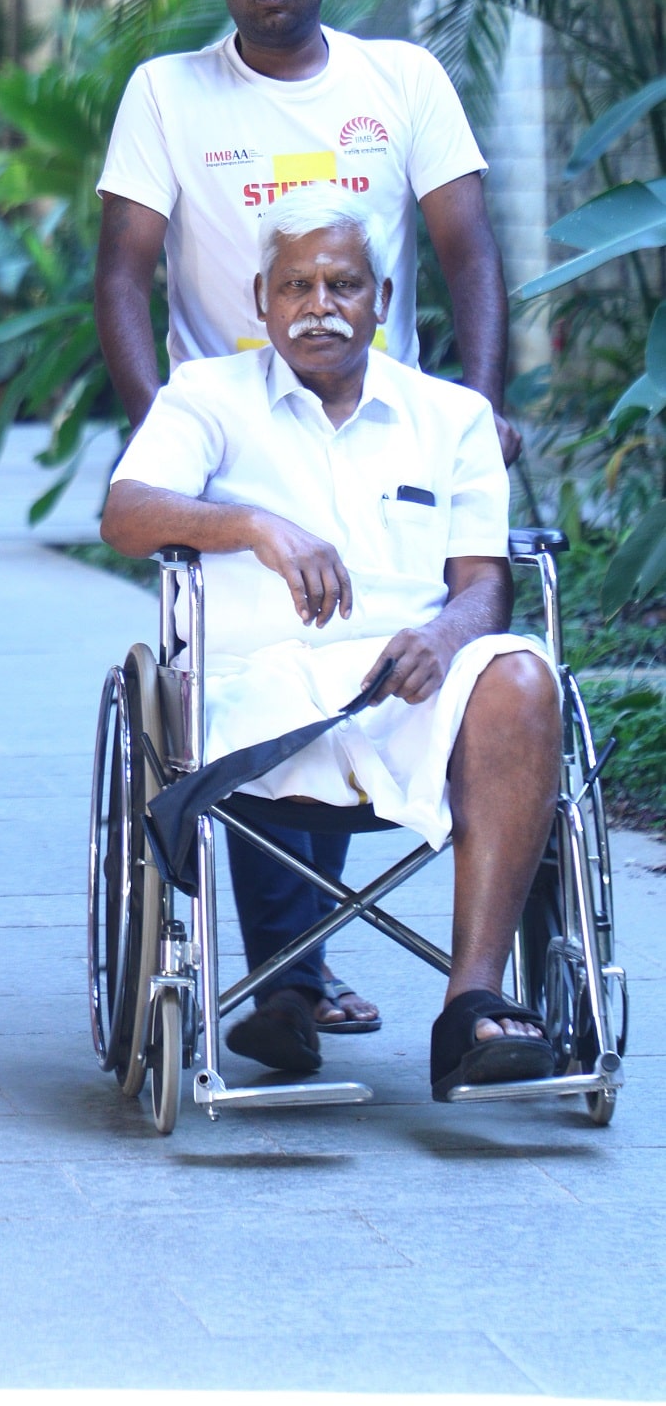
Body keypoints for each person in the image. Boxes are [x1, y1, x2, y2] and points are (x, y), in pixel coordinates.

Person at [95, 0, 517, 1039]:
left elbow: (469, 251)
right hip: (233, 437)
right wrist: (169, 443)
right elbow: (123, 274)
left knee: (402, 634)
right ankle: (287, 972)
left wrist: (471, 416)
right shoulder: (169, 93)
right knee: (269, 645)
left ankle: (417, 986)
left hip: (390, 430)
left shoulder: (403, 81)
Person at [100, 188, 560, 1093]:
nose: (320, 305)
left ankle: (472, 1005)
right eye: (298, 285)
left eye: (343, 284)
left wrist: (447, 633)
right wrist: (257, 527)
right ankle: (286, 984)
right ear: (263, 298)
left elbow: (484, 584)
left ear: (382, 300)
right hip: (251, 702)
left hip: (412, 689)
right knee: (240, 704)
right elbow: (126, 511)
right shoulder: (206, 395)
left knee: (519, 674)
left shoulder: (453, 416)